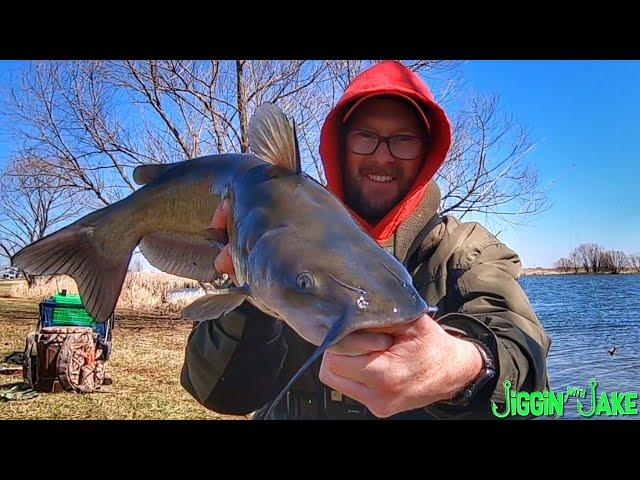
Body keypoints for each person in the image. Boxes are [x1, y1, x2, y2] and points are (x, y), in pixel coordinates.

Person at [179, 60, 551, 419]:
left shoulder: (468, 251)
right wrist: (252, 292)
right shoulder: (274, 242)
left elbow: (528, 375)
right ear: (339, 146)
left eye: (403, 140)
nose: (383, 156)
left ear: (427, 152)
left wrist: (465, 369)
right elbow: (217, 392)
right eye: (366, 137)